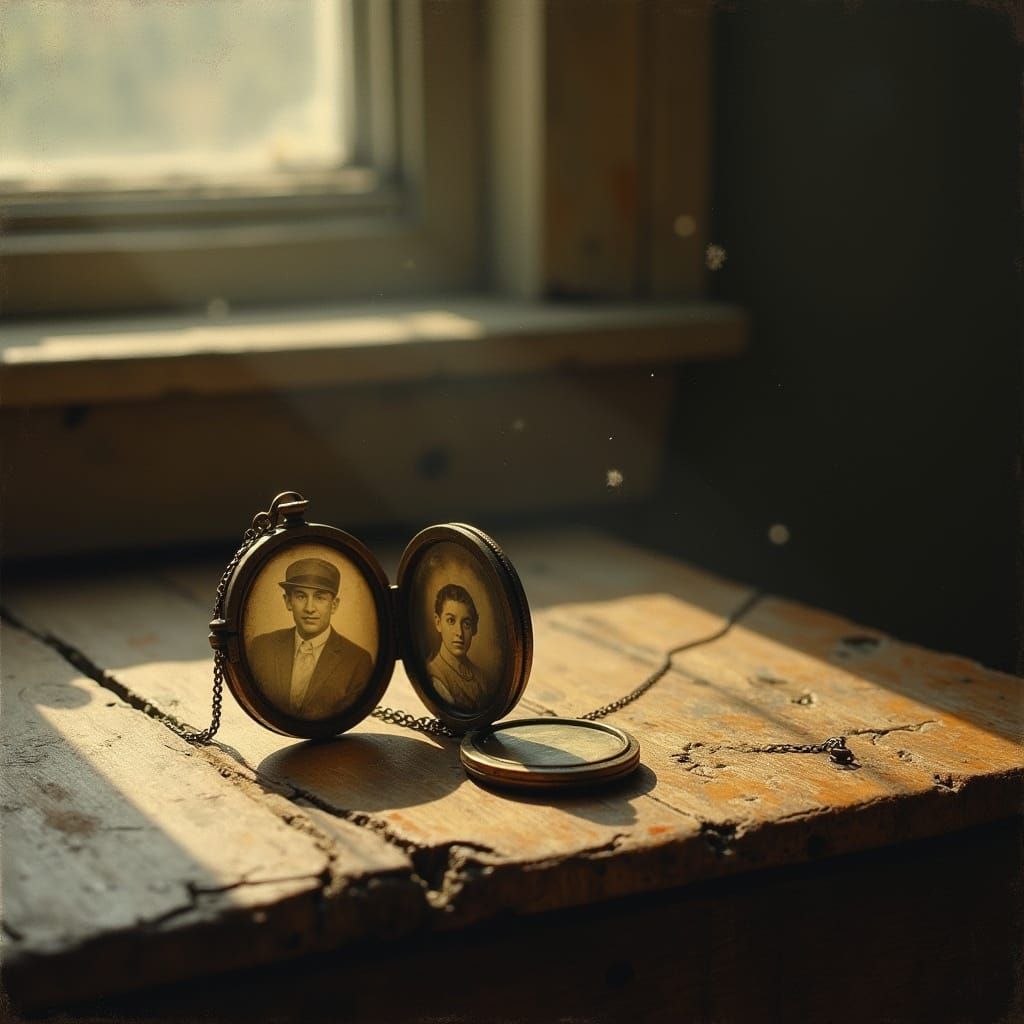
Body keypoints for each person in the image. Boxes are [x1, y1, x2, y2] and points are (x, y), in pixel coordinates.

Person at [248, 557, 373, 719]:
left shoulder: (358, 660)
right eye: (301, 596)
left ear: (333, 605)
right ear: (288, 602)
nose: (309, 608)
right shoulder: (263, 647)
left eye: (320, 597)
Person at [426, 583, 491, 711]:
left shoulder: (481, 677)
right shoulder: (436, 677)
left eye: (466, 623)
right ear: (438, 623)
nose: (459, 633)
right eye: (451, 621)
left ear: (474, 627)